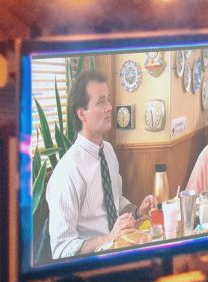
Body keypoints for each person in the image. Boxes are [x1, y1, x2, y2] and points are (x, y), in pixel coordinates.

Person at [43, 73, 155, 263]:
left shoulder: (108, 151)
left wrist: (137, 212)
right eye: (101, 102)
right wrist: (109, 238)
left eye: (108, 100)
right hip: (91, 269)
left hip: (120, 252)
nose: (110, 107)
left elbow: (116, 200)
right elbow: (62, 251)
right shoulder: (68, 172)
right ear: (82, 113)